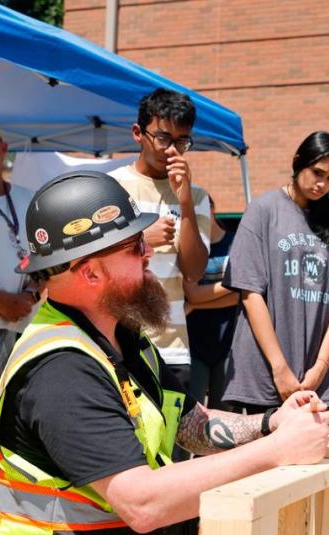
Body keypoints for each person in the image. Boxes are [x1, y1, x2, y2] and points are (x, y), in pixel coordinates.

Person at [0, 170, 329, 533]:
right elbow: (142, 503)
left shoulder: (123, 336)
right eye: (135, 246)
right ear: (90, 273)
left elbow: (188, 422)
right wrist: (278, 451)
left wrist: (270, 424)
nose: (149, 252)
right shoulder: (62, 370)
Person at [222, 131, 329, 414]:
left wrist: (321, 368)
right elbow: (250, 294)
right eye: (317, 172)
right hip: (266, 369)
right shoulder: (263, 210)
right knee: (270, 457)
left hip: (317, 375)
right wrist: (279, 368)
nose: (322, 184)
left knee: (317, 456)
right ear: (297, 162)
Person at [110, 88, 210, 390]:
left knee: (169, 438)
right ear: (138, 133)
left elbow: (194, 272)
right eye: (163, 138)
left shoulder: (196, 196)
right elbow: (93, 264)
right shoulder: (111, 187)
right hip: (116, 341)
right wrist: (141, 240)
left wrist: (186, 204)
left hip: (172, 347)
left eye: (182, 141)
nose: (172, 150)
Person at [184, 198, 239, 410]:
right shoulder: (190, 248)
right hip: (194, 342)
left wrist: (197, 303)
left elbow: (243, 295)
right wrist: (234, 285)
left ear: (213, 209)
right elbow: (193, 294)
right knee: (193, 412)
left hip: (229, 341)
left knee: (225, 412)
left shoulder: (236, 242)